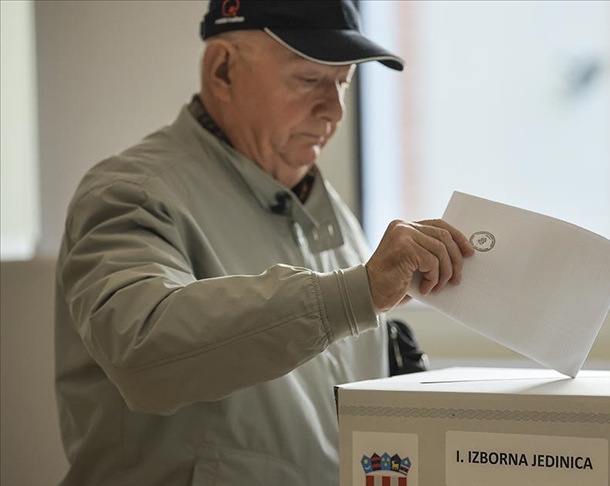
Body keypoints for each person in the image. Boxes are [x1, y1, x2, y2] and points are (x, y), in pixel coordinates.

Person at [53, 1, 473, 484]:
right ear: (223, 70)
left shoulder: (332, 214)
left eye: (342, 83)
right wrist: (354, 294)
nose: (334, 109)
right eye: (310, 79)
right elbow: (140, 349)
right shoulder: (132, 193)